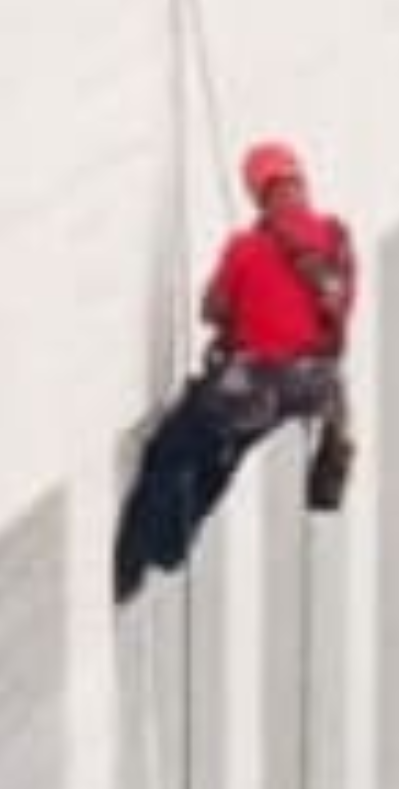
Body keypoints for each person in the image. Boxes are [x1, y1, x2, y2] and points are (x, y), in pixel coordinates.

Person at [110, 139, 359, 603]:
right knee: (224, 454)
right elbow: (339, 309)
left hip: (250, 387)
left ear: (257, 192)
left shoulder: (246, 247)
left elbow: (213, 310)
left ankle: (133, 565)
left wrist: (241, 303)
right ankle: (171, 548)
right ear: (300, 182)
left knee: (169, 453)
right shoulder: (337, 239)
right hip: (309, 389)